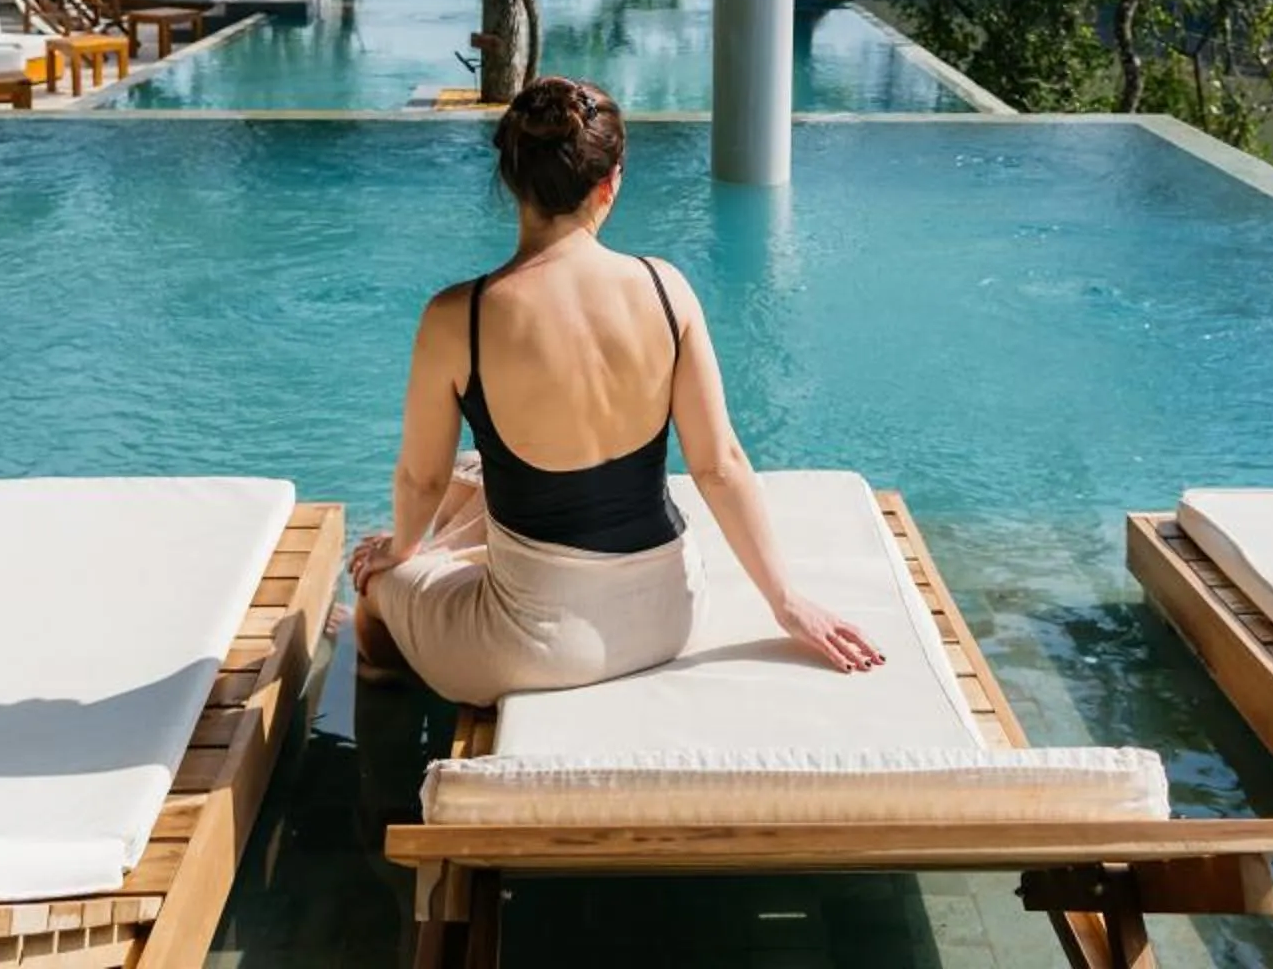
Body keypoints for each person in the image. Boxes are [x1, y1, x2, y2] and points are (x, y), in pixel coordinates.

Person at [350, 74, 884, 707]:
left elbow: (419, 481)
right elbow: (719, 466)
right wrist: (785, 600)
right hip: (671, 616)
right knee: (478, 478)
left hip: (531, 651)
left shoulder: (456, 316)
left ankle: (380, 693)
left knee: (374, 586)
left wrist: (398, 553)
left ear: (512, 181)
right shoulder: (666, 289)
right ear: (611, 183)